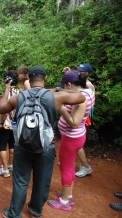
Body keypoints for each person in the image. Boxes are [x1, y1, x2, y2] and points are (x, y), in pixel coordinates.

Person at [0, 66, 85, 218]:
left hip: (23, 145)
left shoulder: (19, 97)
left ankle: (14, 214)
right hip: (46, 146)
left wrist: (6, 89)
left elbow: (1, 109)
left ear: (29, 80)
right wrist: (56, 89)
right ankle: (35, 210)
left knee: (20, 181)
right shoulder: (56, 97)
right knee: (42, 181)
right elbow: (81, 97)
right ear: (44, 79)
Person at [47, 70, 95, 211]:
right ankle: (67, 194)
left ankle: (65, 201)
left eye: (65, 85)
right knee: (68, 165)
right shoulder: (89, 90)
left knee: (66, 167)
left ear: (69, 84)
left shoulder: (80, 100)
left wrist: (61, 109)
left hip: (72, 137)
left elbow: (74, 122)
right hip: (77, 136)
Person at [75, 63, 95, 178]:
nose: (79, 72)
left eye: (81, 71)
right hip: (81, 114)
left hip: (84, 116)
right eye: (78, 70)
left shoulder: (88, 85)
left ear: (87, 73)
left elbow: (89, 102)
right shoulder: (83, 83)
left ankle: (86, 166)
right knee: (76, 142)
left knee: (78, 144)